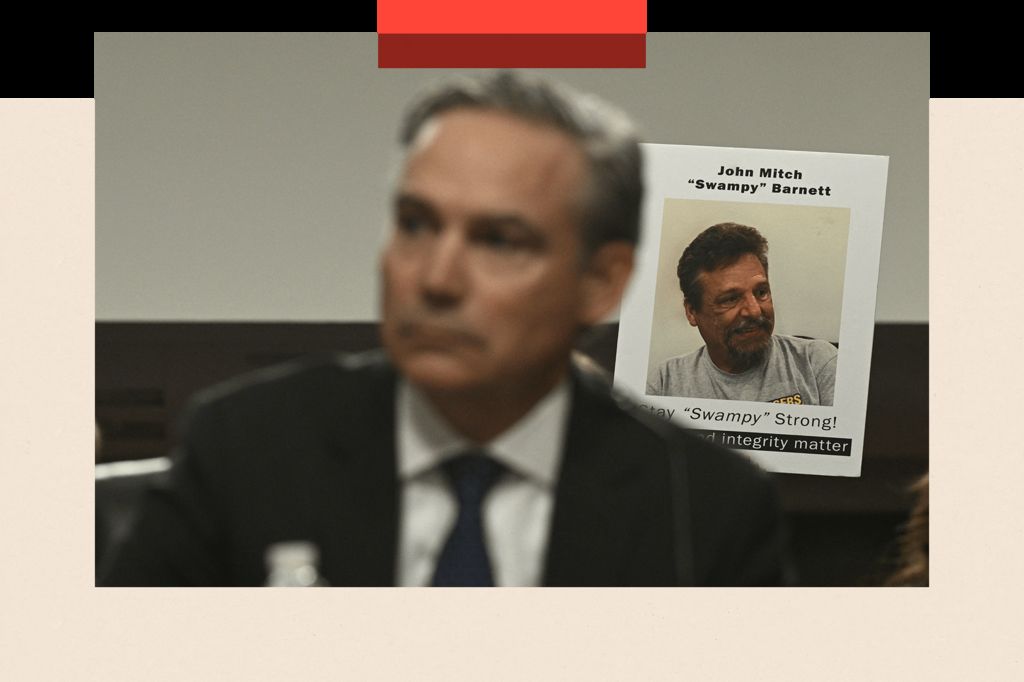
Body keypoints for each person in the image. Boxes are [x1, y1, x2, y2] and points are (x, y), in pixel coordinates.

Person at [101, 72, 790, 587]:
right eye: (416, 225)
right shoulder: (245, 451)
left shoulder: (701, 506)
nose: (435, 277)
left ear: (600, 282)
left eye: (499, 240)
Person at [647, 223, 838, 406]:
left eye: (761, 292)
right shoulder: (666, 383)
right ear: (692, 312)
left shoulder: (817, 363)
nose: (754, 311)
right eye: (730, 299)